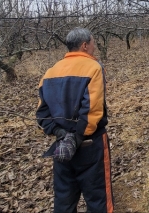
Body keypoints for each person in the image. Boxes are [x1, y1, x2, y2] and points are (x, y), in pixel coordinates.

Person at [36, 28, 113, 213]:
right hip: (90, 144)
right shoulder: (93, 68)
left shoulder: (50, 72)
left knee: (64, 199)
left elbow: (42, 112)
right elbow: (93, 108)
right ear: (85, 45)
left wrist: (61, 134)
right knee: (98, 198)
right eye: (93, 42)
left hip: (62, 147)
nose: (95, 46)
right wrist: (77, 137)